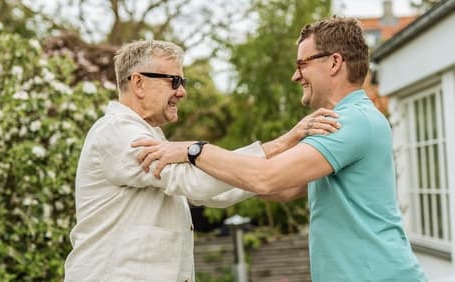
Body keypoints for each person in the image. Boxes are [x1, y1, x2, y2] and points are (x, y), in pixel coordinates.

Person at [133, 17, 427, 281]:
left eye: (302, 64)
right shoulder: (341, 123)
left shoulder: (351, 123)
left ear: (335, 63)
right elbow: (280, 190)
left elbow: (266, 178)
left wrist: (193, 151)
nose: (295, 76)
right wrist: (210, 180)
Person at [63, 40, 340, 282]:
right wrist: (284, 142)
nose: (182, 92)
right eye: (174, 81)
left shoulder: (150, 135)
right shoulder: (118, 132)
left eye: (182, 82)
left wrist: (292, 173)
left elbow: (218, 192)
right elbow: (196, 181)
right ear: (138, 83)